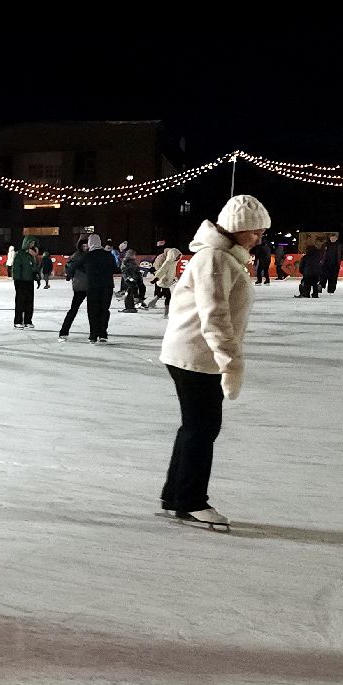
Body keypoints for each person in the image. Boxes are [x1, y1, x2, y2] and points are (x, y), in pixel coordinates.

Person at [158, 195, 270, 530]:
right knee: (202, 428)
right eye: (254, 231)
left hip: (196, 352)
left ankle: (176, 495)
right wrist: (230, 362)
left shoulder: (222, 257)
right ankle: (191, 501)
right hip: (196, 355)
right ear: (236, 228)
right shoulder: (215, 259)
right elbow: (215, 316)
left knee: (195, 426)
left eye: (262, 232)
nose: (259, 238)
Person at [81, 234, 119, 342]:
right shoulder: (108, 255)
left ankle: (93, 335)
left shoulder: (88, 256)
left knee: (92, 310)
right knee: (104, 310)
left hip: (93, 287)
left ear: (90, 243)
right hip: (107, 286)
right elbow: (115, 269)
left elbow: (79, 266)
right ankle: (103, 334)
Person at [58, 238, 90, 339]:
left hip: (90, 286)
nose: (85, 248)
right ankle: (64, 331)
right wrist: (70, 274)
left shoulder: (90, 255)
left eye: (87, 246)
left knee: (92, 311)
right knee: (74, 309)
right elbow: (68, 267)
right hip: (80, 286)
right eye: (84, 246)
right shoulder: (77, 256)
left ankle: (95, 333)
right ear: (80, 246)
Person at [11, 235, 39, 328]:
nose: (32, 245)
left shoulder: (32, 255)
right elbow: (16, 268)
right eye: (31, 243)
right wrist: (17, 279)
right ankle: (18, 321)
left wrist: (36, 275)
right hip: (21, 281)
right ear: (26, 243)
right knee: (20, 301)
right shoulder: (19, 254)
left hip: (29, 280)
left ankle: (28, 321)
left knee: (29, 301)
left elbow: (34, 267)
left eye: (33, 243)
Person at [152, 243, 182, 316]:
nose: (178, 258)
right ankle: (166, 312)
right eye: (177, 256)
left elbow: (171, 271)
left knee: (165, 293)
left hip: (166, 280)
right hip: (162, 279)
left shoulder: (173, 262)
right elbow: (161, 270)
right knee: (167, 295)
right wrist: (157, 278)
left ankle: (154, 302)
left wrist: (173, 278)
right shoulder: (164, 260)